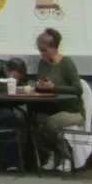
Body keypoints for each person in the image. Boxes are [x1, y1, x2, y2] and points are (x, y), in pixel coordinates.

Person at [31, 29, 84, 168]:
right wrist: (39, 86)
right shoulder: (43, 64)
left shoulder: (66, 63)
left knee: (51, 122)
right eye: (40, 50)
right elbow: (42, 84)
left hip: (72, 110)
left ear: (54, 48)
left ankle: (65, 156)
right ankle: (53, 153)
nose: (42, 53)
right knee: (36, 120)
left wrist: (54, 87)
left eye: (44, 50)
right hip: (51, 107)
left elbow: (78, 89)